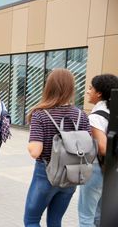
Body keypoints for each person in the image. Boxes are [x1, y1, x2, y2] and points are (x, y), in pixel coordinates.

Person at [24, 68, 91, 227]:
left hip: (46, 174)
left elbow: (35, 151)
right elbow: (88, 147)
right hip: (72, 175)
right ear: (71, 88)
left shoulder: (40, 114)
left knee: (31, 221)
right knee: (55, 221)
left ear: (49, 87)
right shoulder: (81, 115)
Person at [78, 74, 118, 227]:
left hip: (96, 169)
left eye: (90, 88)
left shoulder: (95, 117)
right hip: (110, 170)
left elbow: (102, 147)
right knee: (100, 216)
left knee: (86, 216)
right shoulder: (112, 112)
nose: (88, 91)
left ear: (99, 93)